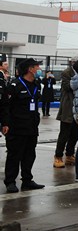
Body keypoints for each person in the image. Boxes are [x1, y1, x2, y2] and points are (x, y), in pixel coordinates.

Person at [0, 58, 46, 192]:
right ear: (30, 69)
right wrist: (5, 123)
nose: (39, 69)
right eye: (37, 66)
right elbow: (5, 106)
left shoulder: (36, 84)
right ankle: (10, 181)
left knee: (29, 155)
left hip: (31, 126)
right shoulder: (15, 85)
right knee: (14, 155)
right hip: (16, 126)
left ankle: (27, 180)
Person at [54, 60, 78, 168]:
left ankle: (69, 155)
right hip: (68, 107)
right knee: (64, 134)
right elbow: (68, 87)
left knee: (75, 134)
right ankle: (58, 156)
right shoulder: (67, 73)